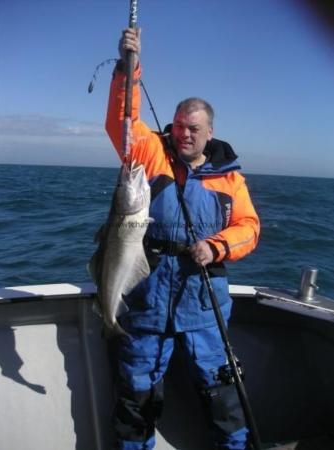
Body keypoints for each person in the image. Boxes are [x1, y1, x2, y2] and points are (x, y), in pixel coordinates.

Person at [105, 28, 260, 450]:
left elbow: (249, 228)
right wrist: (127, 67)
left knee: (223, 396)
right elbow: (122, 121)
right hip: (147, 300)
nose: (183, 134)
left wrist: (217, 246)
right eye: (177, 126)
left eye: (193, 128)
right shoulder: (150, 154)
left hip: (204, 303)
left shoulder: (230, 178)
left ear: (210, 132)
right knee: (137, 396)